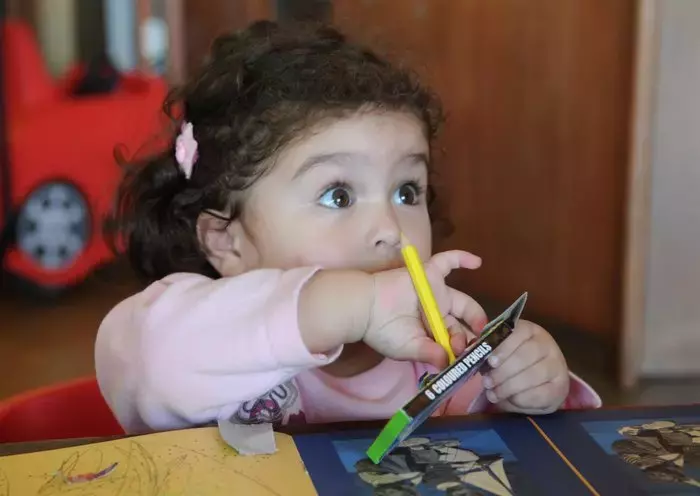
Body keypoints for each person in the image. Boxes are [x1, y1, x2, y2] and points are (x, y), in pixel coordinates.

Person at [96, 20, 601, 435]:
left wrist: (528, 386)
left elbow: (520, 452)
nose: (389, 228)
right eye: (338, 195)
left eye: (407, 191)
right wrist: (355, 305)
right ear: (228, 241)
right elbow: (150, 359)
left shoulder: (438, 353)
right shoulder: (198, 334)